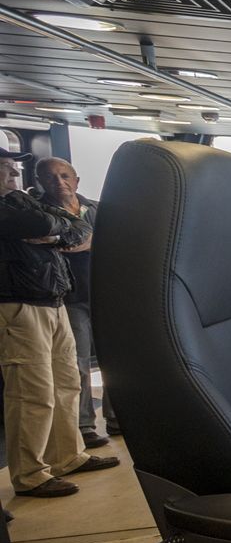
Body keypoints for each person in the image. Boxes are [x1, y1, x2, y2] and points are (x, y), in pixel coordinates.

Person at [0, 132, 120, 500]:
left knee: (67, 382)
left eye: (13, 168)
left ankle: (66, 455)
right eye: (5, 168)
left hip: (52, 298)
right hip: (18, 304)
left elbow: (78, 227)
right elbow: (44, 225)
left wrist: (56, 234)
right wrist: (56, 231)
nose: (12, 174)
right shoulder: (13, 208)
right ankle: (32, 474)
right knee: (31, 391)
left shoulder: (20, 201)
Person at [33, 157, 115, 448]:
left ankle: (117, 418)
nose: (60, 182)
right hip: (70, 297)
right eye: (52, 178)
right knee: (77, 363)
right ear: (41, 182)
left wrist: (85, 239)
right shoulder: (39, 212)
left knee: (115, 361)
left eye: (65, 176)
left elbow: (111, 241)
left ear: (76, 180)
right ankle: (84, 424)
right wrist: (88, 239)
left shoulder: (95, 208)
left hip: (105, 294)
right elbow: (62, 241)